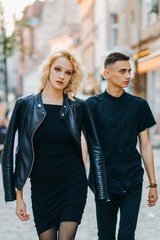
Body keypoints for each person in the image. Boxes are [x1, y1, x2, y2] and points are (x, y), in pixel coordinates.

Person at [2, 49, 108, 240]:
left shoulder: (79, 107)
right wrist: (17, 196)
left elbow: (96, 148)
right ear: (48, 69)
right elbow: (10, 151)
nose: (62, 76)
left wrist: (100, 191)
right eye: (58, 69)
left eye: (68, 72)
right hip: (42, 187)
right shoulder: (25, 105)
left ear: (72, 77)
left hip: (72, 182)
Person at [85, 52, 158, 240]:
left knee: (127, 235)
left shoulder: (139, 105)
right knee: (106, 235)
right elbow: (83, 144)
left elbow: (146, 145)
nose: (128, 76)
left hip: (132, 178)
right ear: (107, 74)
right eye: (122, 71)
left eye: (129, 71)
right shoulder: (91, 106)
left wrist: (153, 184)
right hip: (103, 181)